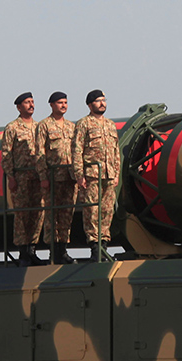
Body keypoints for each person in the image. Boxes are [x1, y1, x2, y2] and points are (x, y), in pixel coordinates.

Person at [71, 90, 120, 261]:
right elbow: (76, 150)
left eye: (104, 100)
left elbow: (116, 151)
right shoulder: (84, 124)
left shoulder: (110, 125)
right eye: (98, 101)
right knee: (92, 211)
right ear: (90, 105)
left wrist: (116, 174)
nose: (102, 104)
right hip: (91, 176)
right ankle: (95, 248)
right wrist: (79, 174)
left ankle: (104, 246)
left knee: (107, 211)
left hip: (108, 175)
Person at [1, 92, 45, 266]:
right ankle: (23, 253)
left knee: (38, 213)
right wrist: (11, 176)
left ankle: (32, 250)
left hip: (37, 177)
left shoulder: (40, 127)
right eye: (27, 102)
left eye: (32, 102)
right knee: (22, 215)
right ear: (19, 107)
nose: (31, 105)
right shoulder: (12, 128)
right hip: (21, 179)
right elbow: (6, 154)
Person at [35, 91, 76, 264]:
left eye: (65, 102)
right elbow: (40, 153)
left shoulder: (71, 127)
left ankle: (63, 250)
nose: (63, 105)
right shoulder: (44, 125)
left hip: (69, 177)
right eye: (60, 102)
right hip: (53, 178)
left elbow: (77, 151)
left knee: (67, 214)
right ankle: (53, 251)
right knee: (52, 215)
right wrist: (43, 176)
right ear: (52, 105)